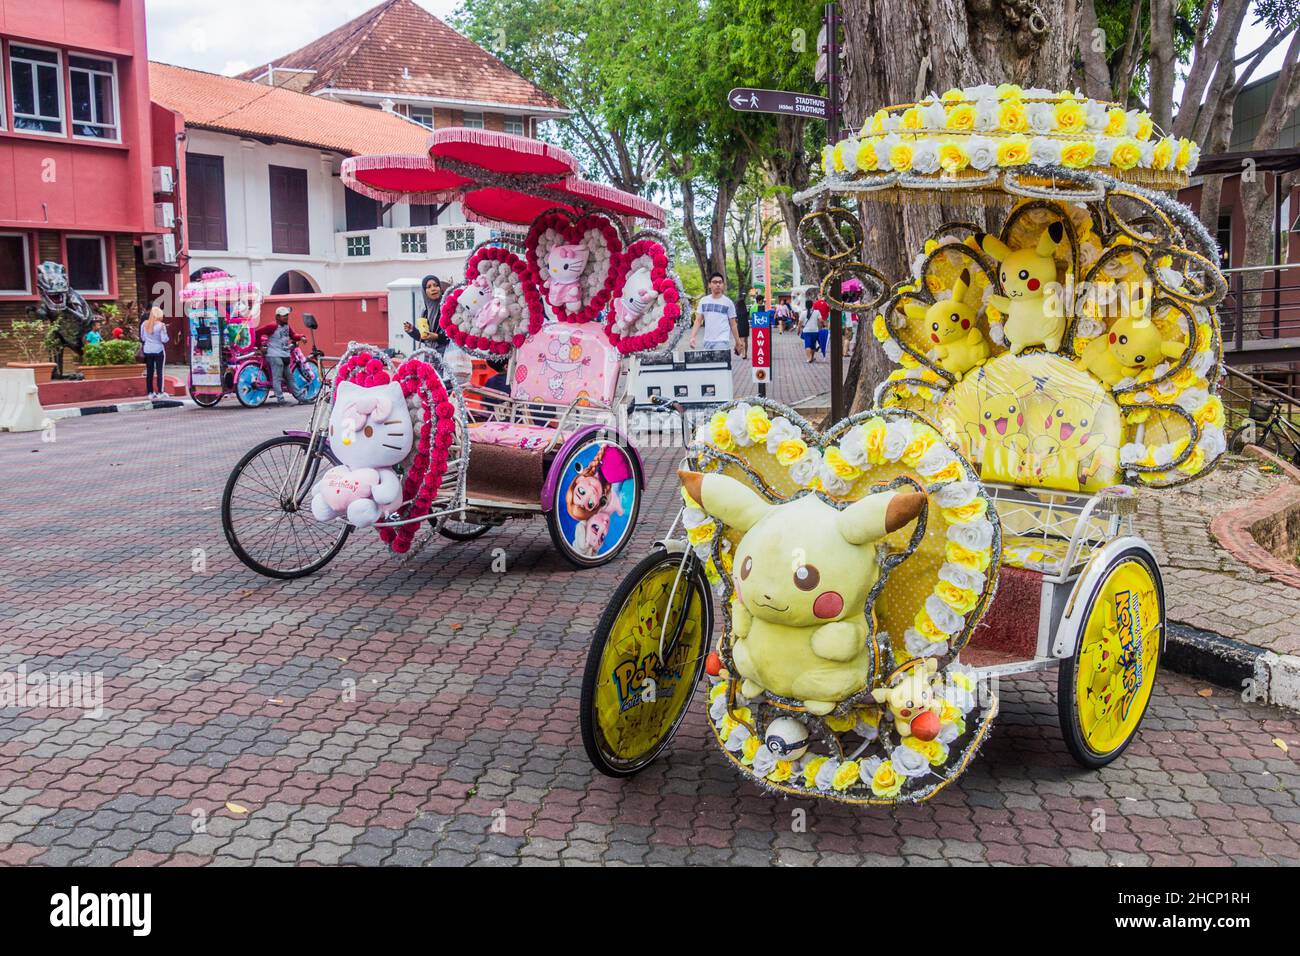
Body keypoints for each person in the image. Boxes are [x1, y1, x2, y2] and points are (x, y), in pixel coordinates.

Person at [261, 306, 304, 405]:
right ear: (277, 317)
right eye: (284, 316)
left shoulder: (287, 326)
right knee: (277, 379)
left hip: (284, 354)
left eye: (287, 316)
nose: (286, 318)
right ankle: (280, 400)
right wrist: (261, 346)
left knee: (290, 378)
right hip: (274, 355)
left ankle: (301, 398)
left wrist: (301, 337)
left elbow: (293, 335)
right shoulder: (272, 326)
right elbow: (258, 333)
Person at [688, 272, 738, 353]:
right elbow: (698, 320)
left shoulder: (728, 302)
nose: (718, 284)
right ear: (709, 285)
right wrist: (692, 337)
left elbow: (733, 324)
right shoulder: (703, 301)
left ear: (723, 285)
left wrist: (738, 342)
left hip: (722, 341)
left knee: (720, 365)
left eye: (720, 282)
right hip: (707, 341)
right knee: (709, 365)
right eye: (715, 282)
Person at [403, 275, 447, 353]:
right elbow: (425, 337)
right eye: (429, 287)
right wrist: (413, 331)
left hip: (448, 356)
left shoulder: (447, 308)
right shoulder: (425, 312)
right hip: (430, 355)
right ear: (424, 292)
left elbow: (454, 337)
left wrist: (437, 337)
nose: (433, 289)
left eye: (436, 285)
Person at [139, 306, 169, 399]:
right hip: (158, 350)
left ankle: (150, 393)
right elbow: (164, 340)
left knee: (149, 372)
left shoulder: (144, 324)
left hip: (148, 350)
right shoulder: (161, 325)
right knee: (160, 371)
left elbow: (143, 338)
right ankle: (160, 392)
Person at [801, 297, 823, 363]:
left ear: (805, 305)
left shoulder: (803, 312)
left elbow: (800, 322)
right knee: (813, 345)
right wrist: (823, 325)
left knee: (807, 345)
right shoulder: (817, 312)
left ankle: (809, 358)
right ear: (812, 305)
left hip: (806, 331)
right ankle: (812, 357)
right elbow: (821, 320)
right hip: (815, 331)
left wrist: (799, 329)